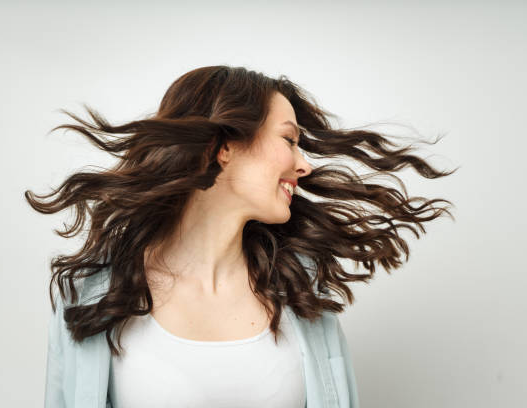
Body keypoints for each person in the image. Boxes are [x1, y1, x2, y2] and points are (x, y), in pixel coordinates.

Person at [25, 65, 456, 408]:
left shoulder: (302, 294)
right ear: (224, 146)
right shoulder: (93, 297)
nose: (304, 165)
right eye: (289, 139)